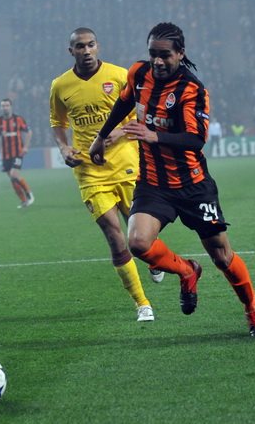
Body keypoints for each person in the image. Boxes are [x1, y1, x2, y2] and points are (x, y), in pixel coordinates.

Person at [89, 22, 255, 336]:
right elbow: (125, 101)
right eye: (153, 54)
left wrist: (154, 135)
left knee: (221, 256)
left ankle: (252, 308)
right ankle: (187, 270)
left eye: (165, 55)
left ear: (180, 53)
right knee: (138, 243)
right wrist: (101, 136)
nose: (157, 61)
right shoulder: (139, 73)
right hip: (154, 183)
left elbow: (195, 139)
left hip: (193, 186)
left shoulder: (192, 89)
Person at [49, 27, 160, 323]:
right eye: (80, 46)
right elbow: (57, 122)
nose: (86, 51)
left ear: (97, 46)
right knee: (114, 236)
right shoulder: (60, 85)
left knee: (141, 233)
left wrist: (119, 132)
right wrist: (63, 147)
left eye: (90, 45)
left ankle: (153, 260)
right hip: (89, 171)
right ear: (71, 51)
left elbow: (141, 115)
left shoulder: (120, 75)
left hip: (126, 164)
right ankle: (142, 303)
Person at [0, 98, 35, 209]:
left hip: (17, 153)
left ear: (11, 107)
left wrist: (26, 147)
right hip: (5, 155)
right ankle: (24, 201)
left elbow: (29, 132)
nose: (5, 107)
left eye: (7, 105)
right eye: (3, 106)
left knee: (14, 175)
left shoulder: (18, 119)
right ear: (1, 107)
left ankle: (29, 194)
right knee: (12, 179)